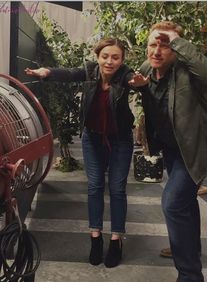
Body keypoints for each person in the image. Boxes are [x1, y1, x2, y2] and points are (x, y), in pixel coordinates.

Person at [129, 21, 207, 282]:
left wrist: (178, 41)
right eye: (152, 44)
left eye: (165, 44)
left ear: (176, 49)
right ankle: (186, 243)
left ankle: (191, 279)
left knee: (172, 203)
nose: (156, 50)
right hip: (172, 148)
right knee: (184, 203)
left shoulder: (189, 72)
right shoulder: (147, 70)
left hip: (194, 148)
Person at [25, 38, 135, 268]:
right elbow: (69, 73)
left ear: (122, 60)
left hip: (120, 141)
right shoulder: (89, 71)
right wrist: (46, 72)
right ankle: (95, 238)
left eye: (115, 57)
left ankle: (116, 240)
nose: (110, 61)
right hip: (92, 139)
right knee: (94, 187)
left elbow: (137, 83)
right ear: (97, 57)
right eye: (105, 56)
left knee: (117, 189)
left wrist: (142, 84)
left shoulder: (126, 76)